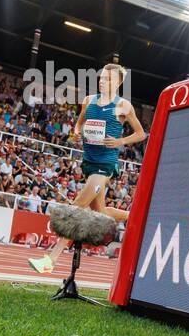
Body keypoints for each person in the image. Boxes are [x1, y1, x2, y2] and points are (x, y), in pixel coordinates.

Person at [29, 63, 146, 274]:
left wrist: (120, 141)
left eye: (108, 79)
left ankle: (51, 259)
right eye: (101, 78)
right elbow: (79, 123)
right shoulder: (88, 101)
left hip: (106, 163)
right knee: (99, 212)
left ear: (118, 82)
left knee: (77, 207)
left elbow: (140, 134)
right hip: (89, 161)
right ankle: (134, 216)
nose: (102, 81)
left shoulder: (123, 106)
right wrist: (76, 131)